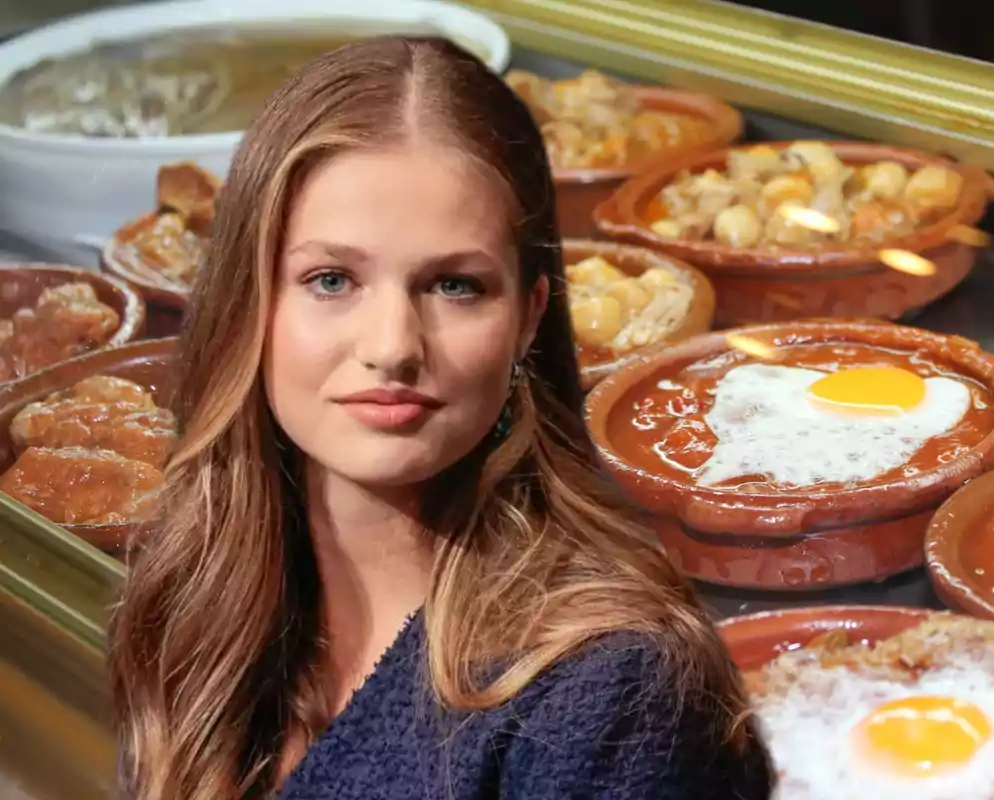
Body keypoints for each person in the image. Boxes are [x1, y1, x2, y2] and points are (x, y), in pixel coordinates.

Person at [108, 36, 773, 800]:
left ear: (528, 320)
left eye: (454, 286)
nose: (392, 347)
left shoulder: (613, 693)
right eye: (331, 280)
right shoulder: (188, 592)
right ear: (250, 300)